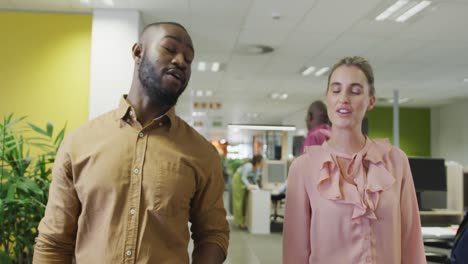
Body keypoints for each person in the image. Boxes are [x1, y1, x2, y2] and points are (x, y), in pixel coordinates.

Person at [33, 22, 229, 264]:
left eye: (189, 59)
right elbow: (54, 241)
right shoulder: (79, 143)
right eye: (170, 48)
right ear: (138, 52)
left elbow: (213, 234)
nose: (181, 61)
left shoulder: (201, 153)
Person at [283, 56, 425, 263]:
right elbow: (294, 252)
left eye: (355, 91)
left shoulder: (396, 161)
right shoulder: (303, 168)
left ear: (371, 101)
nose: (344, 98)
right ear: (327, 98)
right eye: (336, 89)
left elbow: (411, 242)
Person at [231, 155, 263, 229]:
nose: (263, 163)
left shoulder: (257, 168)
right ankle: (239, 222)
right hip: (238, 180)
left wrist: (257, 187)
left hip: (245, 182)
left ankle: (244, 221)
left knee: (244, 202)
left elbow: (255, 179)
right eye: (262, 162)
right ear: (258, 162)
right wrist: (249, 186)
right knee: (238, 202)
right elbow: (243, 177)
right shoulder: (249, 166)